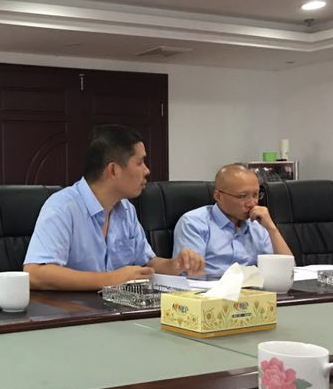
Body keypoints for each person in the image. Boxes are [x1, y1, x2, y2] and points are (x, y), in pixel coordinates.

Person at [23, 125, 204, 291]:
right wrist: (111, 279)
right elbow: (35, 273)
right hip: (72, 311)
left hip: (116, 309)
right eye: (140, 162)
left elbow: (146, 264)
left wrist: (176, 264)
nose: (147, 171)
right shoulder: (63, 207)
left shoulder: (126, 209)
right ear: (113, 170)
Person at [173, 164, 292, 278]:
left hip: (254, 290)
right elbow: (190, 276)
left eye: (255, 195)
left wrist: (272, 228)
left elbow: (288, 270)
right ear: (218, 196)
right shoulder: (194, 223)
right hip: (211, 290)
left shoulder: (258, 224)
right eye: (242, 196)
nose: (252, 203)